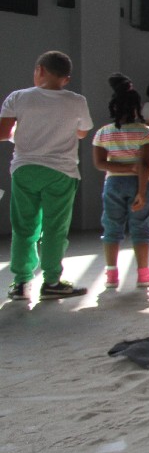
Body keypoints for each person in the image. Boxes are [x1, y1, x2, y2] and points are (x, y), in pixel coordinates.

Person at [1, 51, 93, 300]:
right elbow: (82, 132)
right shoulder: (77, 101)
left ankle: (21, 283)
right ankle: (52, 281)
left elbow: (3, 133)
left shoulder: (18, 97)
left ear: (40, 70)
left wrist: (20, 132)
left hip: (25, 169)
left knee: (24, 227)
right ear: (66, 78)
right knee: (55, 228)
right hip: (61, 172)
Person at [92, 74, 149, 289]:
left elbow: (100, 164)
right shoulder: (146, 132)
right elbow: (145, 164)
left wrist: (124, 167)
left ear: (113, 106)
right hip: (139, 183)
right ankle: (143, 275)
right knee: (140, 228)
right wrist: (141, 191)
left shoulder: (103, 133)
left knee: (111, 228)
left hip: (113, 184)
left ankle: (111, 275)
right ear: (136, 107)